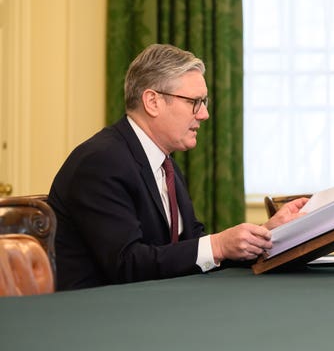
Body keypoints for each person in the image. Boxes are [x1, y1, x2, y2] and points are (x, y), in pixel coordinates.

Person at [48, 44, 307, 290]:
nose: (203, 114)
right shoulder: (101, 161)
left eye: (204, 102)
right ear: (153, 102)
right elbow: (127, 264)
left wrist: (264, 233)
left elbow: (188, 246)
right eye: (194, 102)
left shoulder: (164, 162)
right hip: (96, 316)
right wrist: (218, 245)